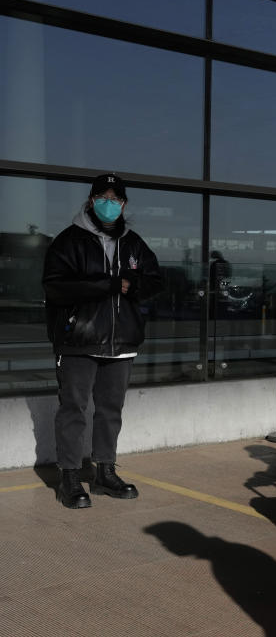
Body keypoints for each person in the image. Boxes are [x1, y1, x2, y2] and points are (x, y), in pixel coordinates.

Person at [42, 173, 162, 509]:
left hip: (121, 341)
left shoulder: (134, 242)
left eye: (116, 199)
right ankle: (68, 477)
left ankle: (105, 472)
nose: (109, 204)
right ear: (92, 200)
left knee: (111, 410)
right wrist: (108, 284)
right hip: (78, 339)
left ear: (123, 205)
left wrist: (132, 285)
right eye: (103, 197)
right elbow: (55, 287)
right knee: (73, 409)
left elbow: (155, 281)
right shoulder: (68, 241)